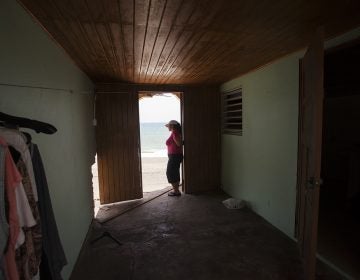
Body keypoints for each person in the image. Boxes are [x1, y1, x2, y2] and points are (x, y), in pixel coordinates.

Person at [165, 120, 183, 196]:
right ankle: (176, 190)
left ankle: (176, 191)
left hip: (175, 156)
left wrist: (179, 140)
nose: (167, 127)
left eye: (168, 125)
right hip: (175, 156)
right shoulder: (174, 132)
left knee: (170, 173)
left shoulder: (175, 132)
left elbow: (179, 144)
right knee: (175, 172)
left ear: (172, 126)